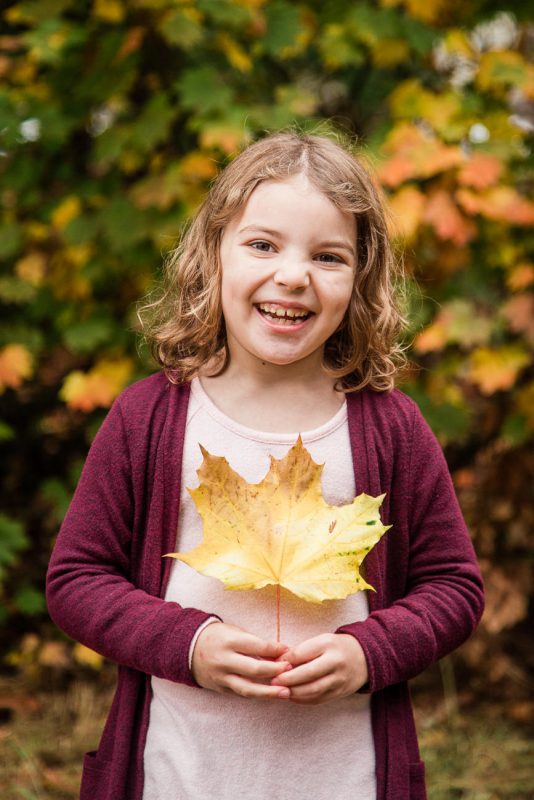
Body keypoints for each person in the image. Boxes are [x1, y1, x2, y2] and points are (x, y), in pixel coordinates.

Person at [46, 131, 484, 800]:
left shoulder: (390, 427)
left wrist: (369, 652)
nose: (293, 275)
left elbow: (453, 587)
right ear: (213, 254)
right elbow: (77, 579)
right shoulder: (148, 418)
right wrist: (187, 644)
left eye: (328, 256)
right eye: (262, 245)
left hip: (346, 779)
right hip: (178, 774)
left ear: (360, 278)